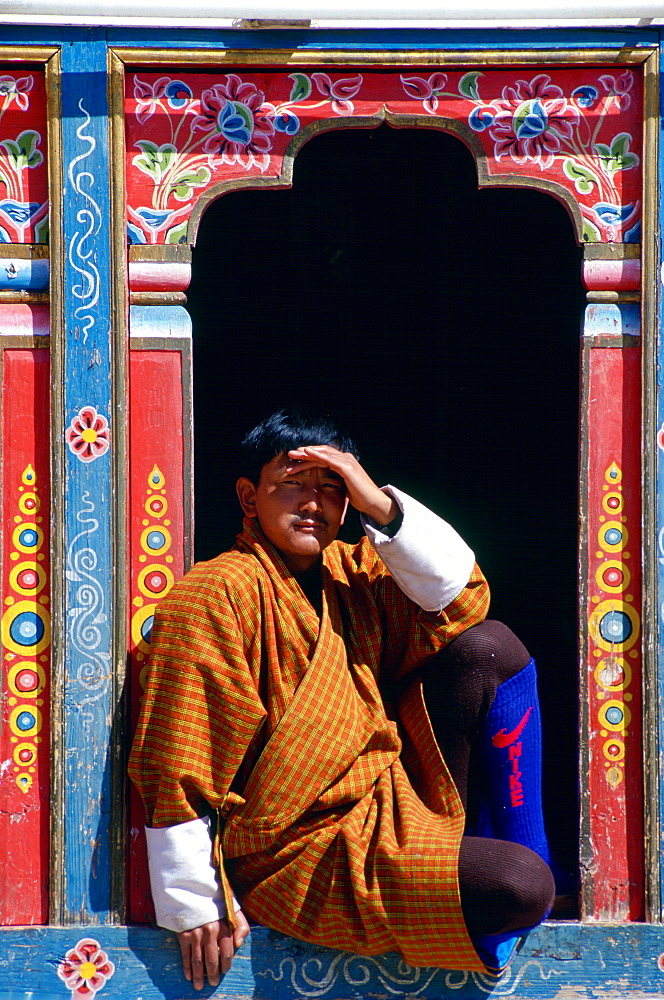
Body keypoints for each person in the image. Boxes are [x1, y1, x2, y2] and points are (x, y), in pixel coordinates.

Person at [129, 411, 555, 991]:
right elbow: (179, 747)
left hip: (388, 802)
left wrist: (381, 506)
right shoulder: (215, 593)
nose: (314, 502)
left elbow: (463, 597)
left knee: (491, 647)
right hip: (297, 853)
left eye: (332, 488)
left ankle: (521, 875)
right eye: (294, 484)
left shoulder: (352, 574)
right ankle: (512, 895)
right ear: (249, 497)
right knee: (519, 885)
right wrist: (193, 904)